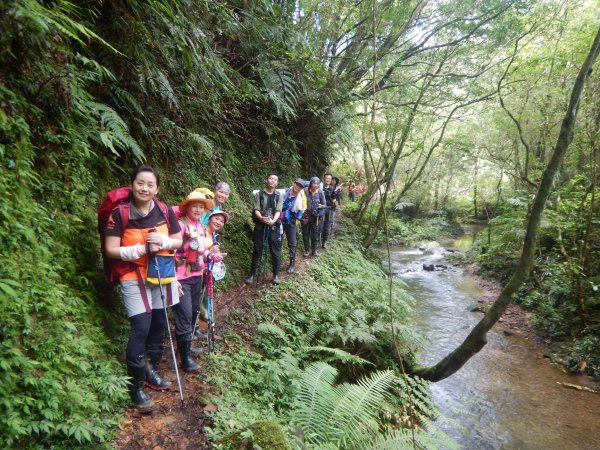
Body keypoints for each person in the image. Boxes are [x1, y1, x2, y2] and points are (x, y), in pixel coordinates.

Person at [104, 165, 182, 413]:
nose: (144, 188)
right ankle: (136, 388)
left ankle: (151, 371)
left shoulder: (164, 210)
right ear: (132, 184)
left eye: (150, 184)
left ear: (156, 189)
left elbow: (179, 240)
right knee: (141, 327)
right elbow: (110, 249)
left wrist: (164, 241)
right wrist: (139, 250)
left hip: (160, 273)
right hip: (132, 274)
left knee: (158, 324)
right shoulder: (120, 214)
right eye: (140, 183)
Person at [172, 191, 214, 373]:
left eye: (201, 207)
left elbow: (201, 251)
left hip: (197, 276)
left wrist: (211, 255)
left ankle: (185, 349)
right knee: (184, 315)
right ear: (187, 207)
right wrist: (172, 278)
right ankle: (185, 359)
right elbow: (169, 252)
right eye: (195, 206)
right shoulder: (180, 226)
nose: (198, 209)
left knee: (192, 314)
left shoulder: (200, 227)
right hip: (181, 278)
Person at [245, 172, 283, 285]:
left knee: (275, 251)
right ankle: (252, 275)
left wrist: (273, 221)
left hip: (274, 225)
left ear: (277, 183)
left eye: (275, 180)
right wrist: (261, 218)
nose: (272, 181)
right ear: (267, 180)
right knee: (257, 250)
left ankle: (276, 275)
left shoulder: (279, 195)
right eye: (271, 178)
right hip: (260, 225)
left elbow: (278, 210)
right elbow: (256, 209)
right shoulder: (259, 194)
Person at [281, 178, 305, 274]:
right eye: (297, 184)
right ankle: (277, 262)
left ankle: (292, 264)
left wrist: (298, 217)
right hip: (280, 220)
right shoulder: (285, 192)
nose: (297, 187)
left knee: (292, 244)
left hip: (291, 222)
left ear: (301, 189)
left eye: (300, 187)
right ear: (294, 183)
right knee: (278, 241)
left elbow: (299, 213)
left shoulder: (300, 198)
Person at [302, 177, 325, 257]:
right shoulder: (305, 191)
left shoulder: (320, 192)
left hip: (316, 217)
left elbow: (324, 205)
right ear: (310, 183)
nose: (315, 185)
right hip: (305, 216)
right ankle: (307, 250)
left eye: (317, 184)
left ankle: (314, 250)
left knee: (315, 234)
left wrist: (321, 206)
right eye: (314, 183)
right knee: (305, 233)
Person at [321, 173, 335, 249]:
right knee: (319, 226)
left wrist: (334, 199)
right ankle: (316, 243)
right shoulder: (320, 187)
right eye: (327, 178)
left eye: (329, 179)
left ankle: (324, 242)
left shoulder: (332, 188)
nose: (328, 180)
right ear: (324, 179)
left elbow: (333, 196)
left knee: (327, 227)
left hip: (329, 209)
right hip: (321, 209)